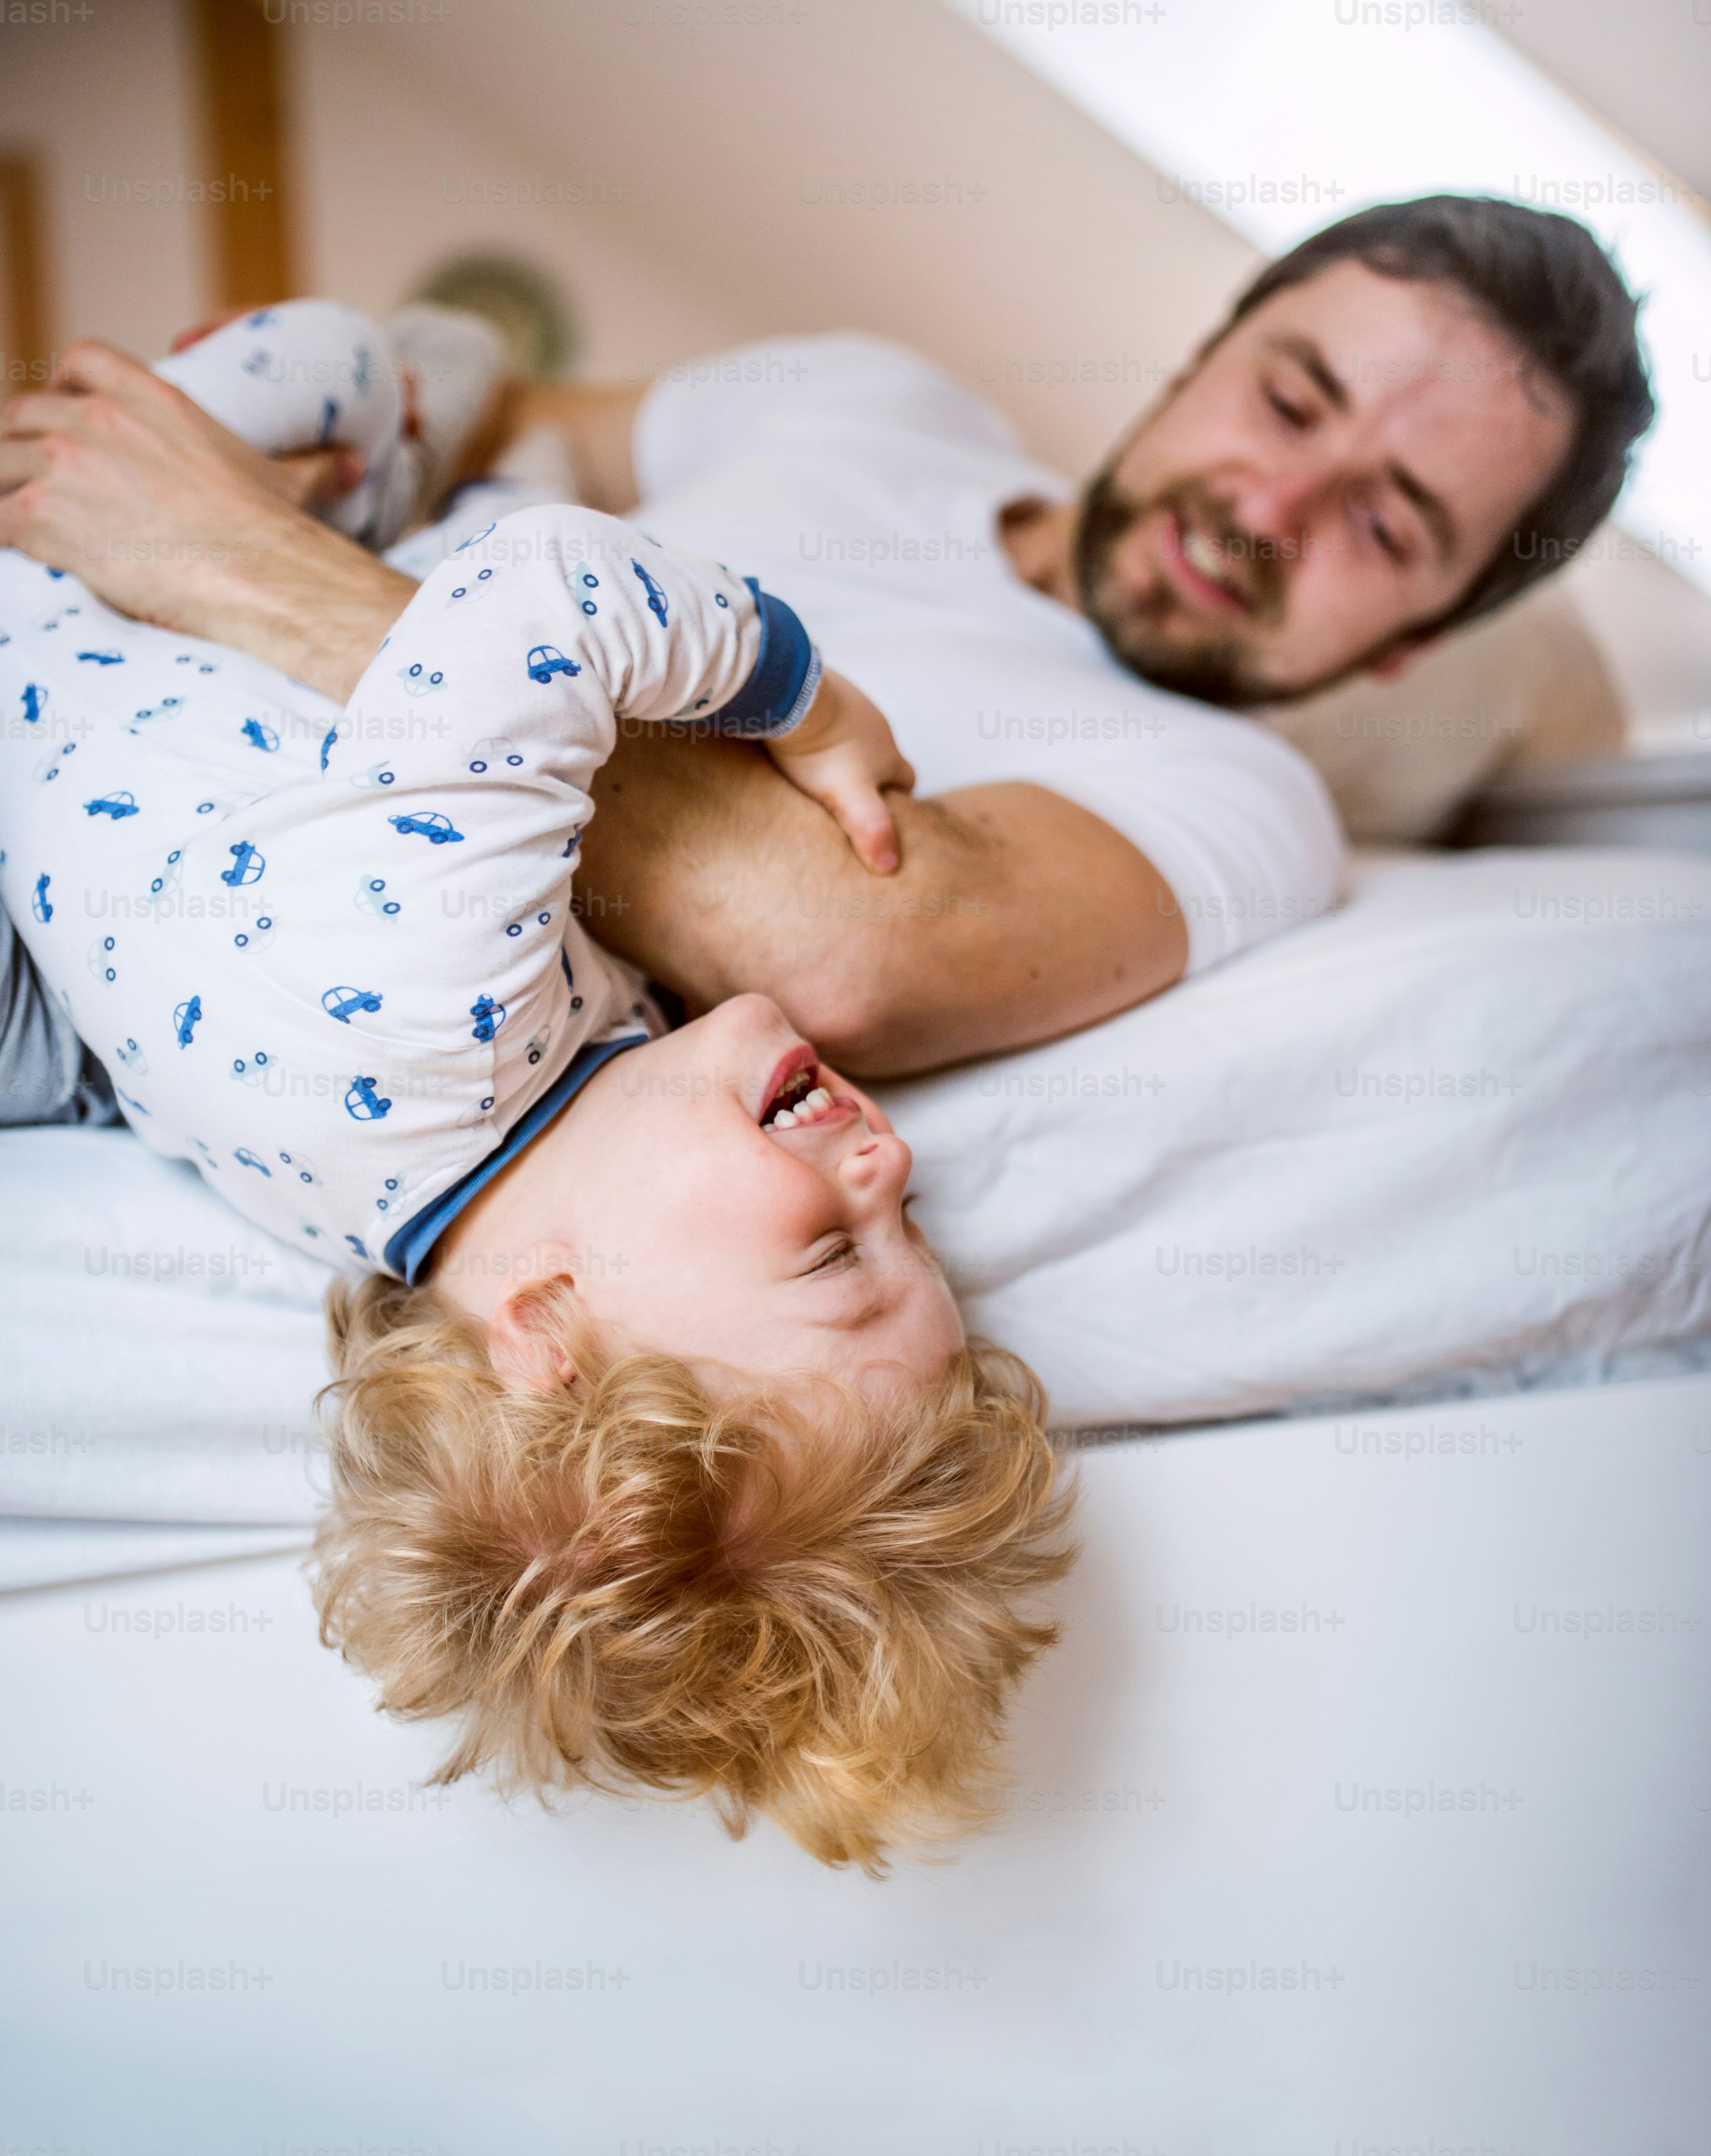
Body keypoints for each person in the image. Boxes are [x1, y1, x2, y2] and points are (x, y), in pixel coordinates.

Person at [0, 299, 1074, 1873]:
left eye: (836, 1253)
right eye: (917, 1241)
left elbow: (549, 593)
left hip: (63, 604)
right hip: (134, 763)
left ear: (549, 1329)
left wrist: (801, 695)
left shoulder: (443, 1013)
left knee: (347, 375)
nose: (895, 1176)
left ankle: (444, 366)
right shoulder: (395, 1204)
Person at [0, 195, 1653, 1087]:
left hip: (172, 893)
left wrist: (235, 556)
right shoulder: (875, 401)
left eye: (1386, 525)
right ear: (1201, 355)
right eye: (1291, 397)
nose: (1271, 504)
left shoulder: (1235, 806)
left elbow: (835, 951)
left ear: (1407, 646)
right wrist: (338, 431)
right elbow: (493, 400)